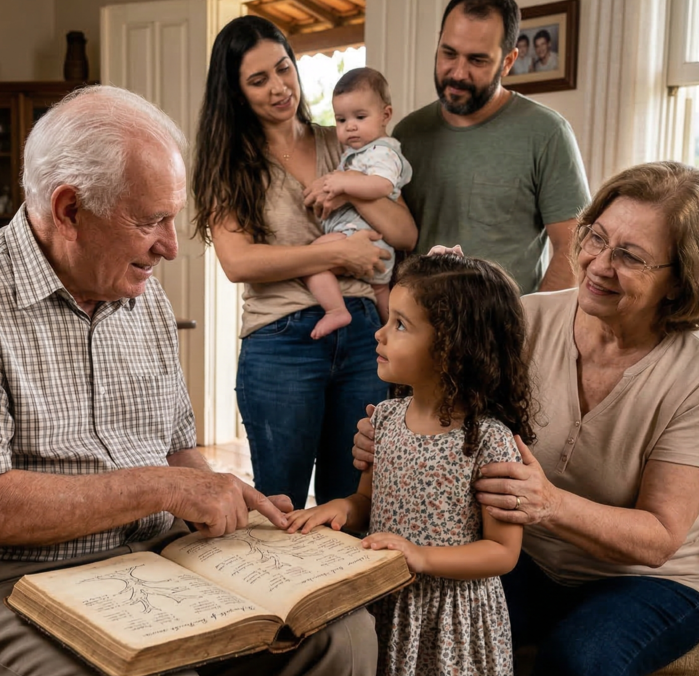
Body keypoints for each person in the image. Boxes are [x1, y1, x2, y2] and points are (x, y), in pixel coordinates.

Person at [0, 85, 380, 676]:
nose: (172, 246)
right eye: (151, 220)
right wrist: (164, 489)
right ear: (68, 209)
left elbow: (176, 449)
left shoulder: (141, 294)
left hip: (155, 561)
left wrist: (225, 498)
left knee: (343, 637)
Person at [353, 161, 699, 676]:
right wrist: (390, 446)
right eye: (596, 238)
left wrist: (549, 503)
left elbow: (659, 537)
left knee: (575, 666)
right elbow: (446, 409)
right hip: (528, 560)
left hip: (649, 581)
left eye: (630, 256)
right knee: (453, 643)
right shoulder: (526, 320)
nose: (598, 265)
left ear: (682, 278)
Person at [287, 253, 532, 676]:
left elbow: (503, 552)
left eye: (400, 325)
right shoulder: (384, 420)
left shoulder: (490, 441)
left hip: (452, 622)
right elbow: (366, 500)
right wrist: (339, 508)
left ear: (454, 347)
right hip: (386, 605)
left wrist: (422, 557)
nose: (379, 333)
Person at [192, 16, 417, 511]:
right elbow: (238, 261)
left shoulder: (346, 142)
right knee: (281, 505)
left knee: (350, 504)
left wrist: (351, 185)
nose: (279, 88)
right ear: (236, 93)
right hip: (281, 341)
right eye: (259, 80)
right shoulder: (230, 164)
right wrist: (335, 253)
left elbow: (403, 234)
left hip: (363, 334)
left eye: (283, 69)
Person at [393, 0, 589, 293]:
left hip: (506, 333)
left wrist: (531, 329)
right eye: (449, 53)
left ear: (508, 61)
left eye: (477, 60)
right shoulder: (407, 133)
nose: (458, 72)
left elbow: (573, 246)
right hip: (418, 329)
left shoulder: (547, 132)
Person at [300, 67, 412, 338]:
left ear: (386, 115)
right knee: (381, 294)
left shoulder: (382, 151)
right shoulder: (359, 152)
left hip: (363, 237)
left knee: (313, 259)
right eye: (341, 119)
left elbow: (382, 185)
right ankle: (395, 335)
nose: (350, 126)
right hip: (370, 243)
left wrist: (342, 182)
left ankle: (335, 310)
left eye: (360, 117)